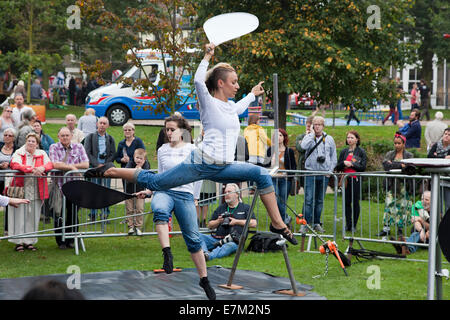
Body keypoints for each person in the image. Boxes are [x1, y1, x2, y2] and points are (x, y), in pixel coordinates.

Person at [86, 43, 297, 246]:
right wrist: (207, 57)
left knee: (261, 175)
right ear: (221, 83)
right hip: (201, 163)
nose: (237, 86)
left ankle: (277, 224)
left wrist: (252, 94)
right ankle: (109, 171)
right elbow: (198, 82)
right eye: (234, 82)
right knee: (157, 182)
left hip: (223, 167)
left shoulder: (230, 107)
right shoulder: (208, 103)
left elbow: (240, 107)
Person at [136, 114, 216, 300]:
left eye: (172, 129)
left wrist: (195, 198)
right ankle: (167, 253)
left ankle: (204, 280)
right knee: (159, 210)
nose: (168, 132)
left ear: (182, 131)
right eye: (167, 129)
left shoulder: (192, 149)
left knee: (194, 241)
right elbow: (160, 177)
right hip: (165, 191)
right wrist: (149, 191)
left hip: (185, 194)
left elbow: (198, 176)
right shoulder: (163, 149)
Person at [8, 132, 53, 252]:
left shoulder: (42, 153)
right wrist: (32, 169)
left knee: (33, 215)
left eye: (33, 141)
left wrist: (42, 168)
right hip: (20, 189)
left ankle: (30, 241)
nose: (31, 143)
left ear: (37, 144)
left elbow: (49, 164)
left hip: (36, 189)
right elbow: (15, 164)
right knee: (18, 215)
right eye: (29, 141)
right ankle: (18, 241)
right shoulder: (19, 152)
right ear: (26, 142)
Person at [49, 127, 89, 249]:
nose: (65, 137)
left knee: (73, 214)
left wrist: (69, 166)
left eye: (67, 135)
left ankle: (71, 239)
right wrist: (72, 168)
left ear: (71, 136)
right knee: (59, 214)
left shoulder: (79, 147)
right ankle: (61, 241)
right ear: (58, 136)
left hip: (75, 186)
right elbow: (54, 164)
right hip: (59, 186)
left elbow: (86, 164)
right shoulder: (53, 147)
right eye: (62, 135)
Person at [200, 183, 256, 261]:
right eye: (225, 192)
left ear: (237, 194)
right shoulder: (221, 208)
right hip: (217, 239)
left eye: (229, 192)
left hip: (235, 241)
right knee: (198, 236)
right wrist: (218, 221)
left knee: (228, 246)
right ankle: (205, 252)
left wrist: (236, 222)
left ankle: (208, 256)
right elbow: (210, 225)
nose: (226, 194)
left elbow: (253, 223)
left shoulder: (245, 207)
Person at [300, 116, 337, 233]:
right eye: (315, 124)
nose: (317, 127)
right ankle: (305, 223)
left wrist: (329, 172)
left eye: (319, 125)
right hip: (310, 172)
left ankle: (316, 222)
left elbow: (333, 157)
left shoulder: (329, 139)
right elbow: (303, 147)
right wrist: (311, 134)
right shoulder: (308, 137)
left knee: (320, 200)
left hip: (324, 173)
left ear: (323, 126)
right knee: (308, 199)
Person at [377, 132, 413, 238]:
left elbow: (408, 168)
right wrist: (400, 165)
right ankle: (386, 228)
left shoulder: (409, 155)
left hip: (403, 185)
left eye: (399, 143)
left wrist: (393, 164)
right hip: (391, 184)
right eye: (395, 143)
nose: (396, 145)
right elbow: (386, 166)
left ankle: (400, 229)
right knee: (389, 205)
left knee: (402, 207)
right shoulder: (389, 154)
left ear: (403, 144)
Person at [83, 116, 116, 221]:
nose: (102, 125)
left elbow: (112, 154)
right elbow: (87, 152)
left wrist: (105, 165)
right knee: (94, 191)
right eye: (100, 123)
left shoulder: (110, 138)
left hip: (106, 169)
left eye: (104, 123)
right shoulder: (90, 137)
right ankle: (93, 214)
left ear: (108, 125)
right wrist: (97, 164)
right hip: (94, 168)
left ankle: (105, 214)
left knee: (106, 191)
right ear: (97, 124)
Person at [335, 131, 367, 232]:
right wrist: (344, 163)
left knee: (355, 202)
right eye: (348, 137)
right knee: (346, 202)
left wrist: (352, 165)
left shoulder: (361, 152)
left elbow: (363, 167)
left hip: (355, 180)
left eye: (352, 138)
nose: (349, 139)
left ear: (357, 139)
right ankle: (348, 224)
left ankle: (354, 225)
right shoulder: (344, 152)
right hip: (345, 180)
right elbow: (337, 166)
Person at [265, 128, 296, 227]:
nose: (278, 137)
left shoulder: (289, 151)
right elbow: (265, 164)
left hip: (284, 180)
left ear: (284, 138)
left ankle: (282, 222)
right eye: (276, 135)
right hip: (273, 178)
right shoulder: (270, 150)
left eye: (280, 135)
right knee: (275, 201)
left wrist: (289, 175)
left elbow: (293, 166)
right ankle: (282, 221)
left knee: (282, 202)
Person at [392, 191, 430, 255]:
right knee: (416, 233)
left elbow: (433, 228)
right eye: (422, 199)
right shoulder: (417, 206)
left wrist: (421, 220)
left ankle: (406, 246)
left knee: (420, 235)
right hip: (419, 233)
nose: (423, 201)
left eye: (426, 200)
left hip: (430, 237)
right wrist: (421, 230)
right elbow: (415, 221)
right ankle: (405, 248)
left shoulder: (436, 211)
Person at [124, 148, 149, 235]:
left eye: (141, 158)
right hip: (129, 191)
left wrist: (140, 170)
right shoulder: (130, 163)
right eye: (137, 157)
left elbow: (146, 176)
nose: (138, 160)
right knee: (129, 209)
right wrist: (135, 171)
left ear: (144, 160)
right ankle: (130, 226)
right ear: (134, 157)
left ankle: (138, 227)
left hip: (141, 191)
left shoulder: (146, 165)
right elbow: (126, 175)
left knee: (139, 209)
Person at [0, 127, 18, 236]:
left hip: (11, 180)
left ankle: (8, 229)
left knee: (9, 202)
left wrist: (10, 165)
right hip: (0, 178)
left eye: (10, 135)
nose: (7, 137)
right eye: (5, 135)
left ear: (14, 138)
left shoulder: (17, 149)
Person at [427, 127, 450, 212]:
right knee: (437, 205)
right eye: (445, 134)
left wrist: (436, 156)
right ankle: (438, 224)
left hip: (448, 181)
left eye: (449, 135)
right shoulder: (436, 145)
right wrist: (444, 157)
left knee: (448, 205)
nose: (446, 136)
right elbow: (429, 157)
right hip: (437, 179)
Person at [295, 116, 314, 191]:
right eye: (307, 126)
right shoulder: (300, 137)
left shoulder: (318, 138)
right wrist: (307, 137)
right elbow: (301, 148)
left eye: (310, 126)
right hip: (302, 166)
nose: (308, 128)